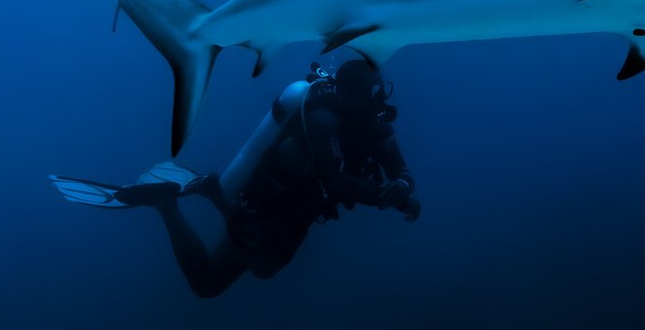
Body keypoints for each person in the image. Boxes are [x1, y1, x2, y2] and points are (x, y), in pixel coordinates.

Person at [51, 57, 420, 298]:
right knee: (238, 274)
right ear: (354, 96)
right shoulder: (324, 121)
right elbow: (336, 183)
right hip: (269, 203)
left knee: (228, 277)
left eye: (380, 90)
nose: (379, 101)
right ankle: (182, 201)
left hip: (297, 210)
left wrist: (402, 187)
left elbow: (395, 164)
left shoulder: (370, 120)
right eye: (372, 93)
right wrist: (389, 196)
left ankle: (201, 196)